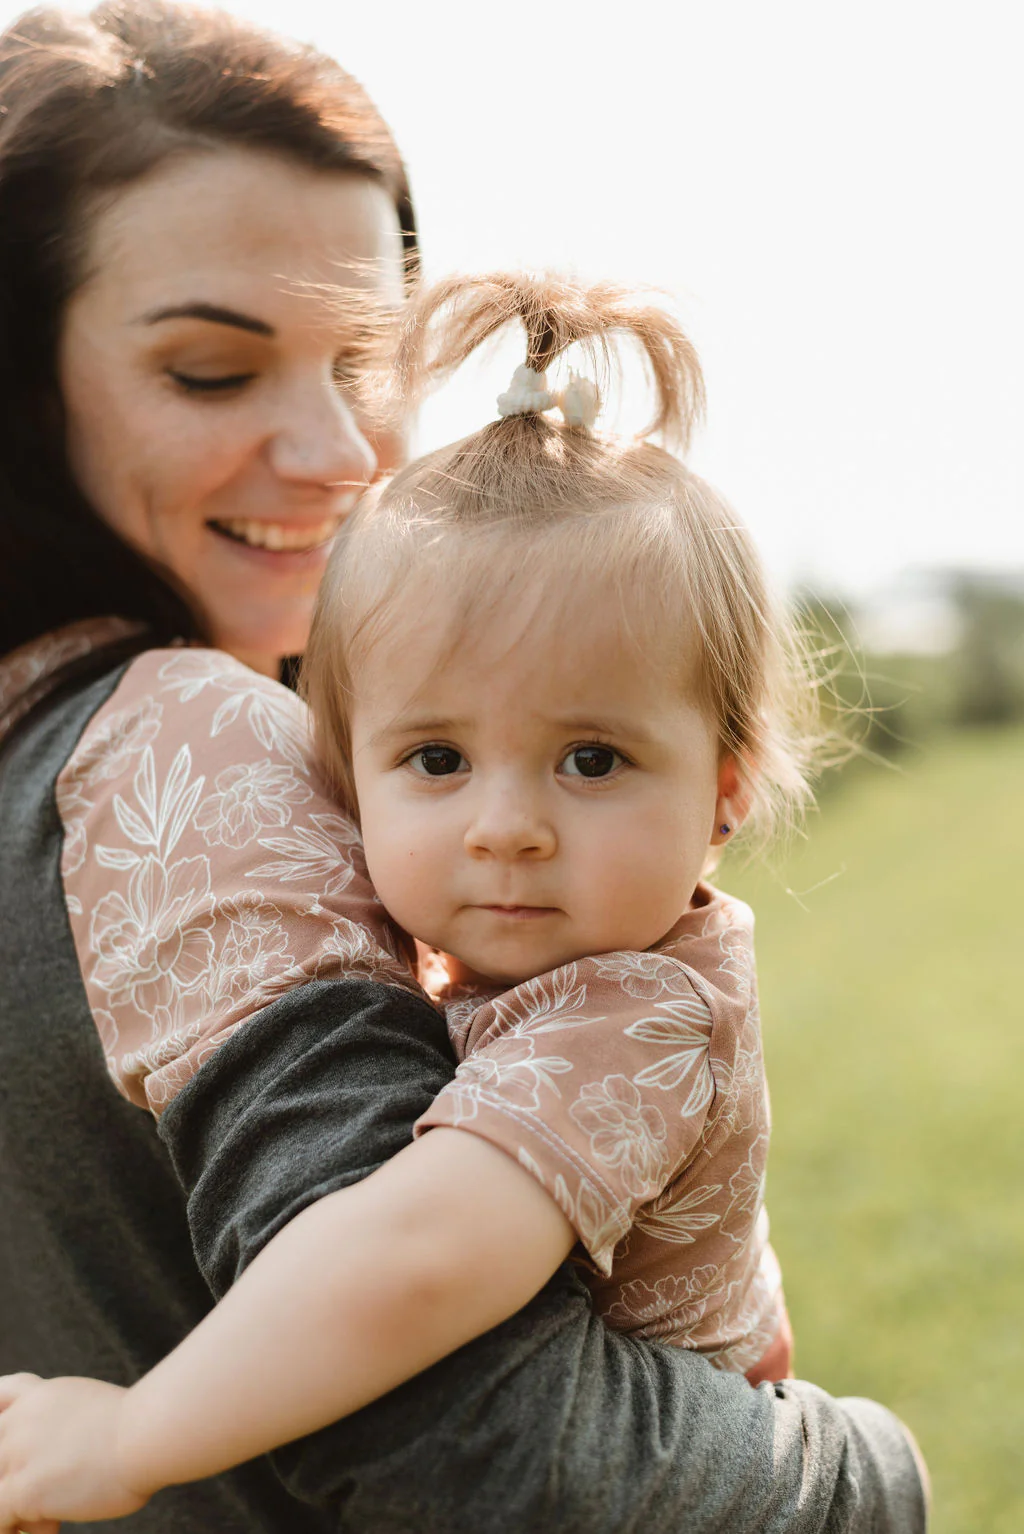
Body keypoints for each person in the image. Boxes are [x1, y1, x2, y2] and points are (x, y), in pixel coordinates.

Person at [0, 4, 928, 1531]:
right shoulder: (189, 744)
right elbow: (463, 1440)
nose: (340, 451)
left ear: (731, 781)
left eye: (364, 361)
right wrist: (870, 1481)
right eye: (213, 374)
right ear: (29, 387)